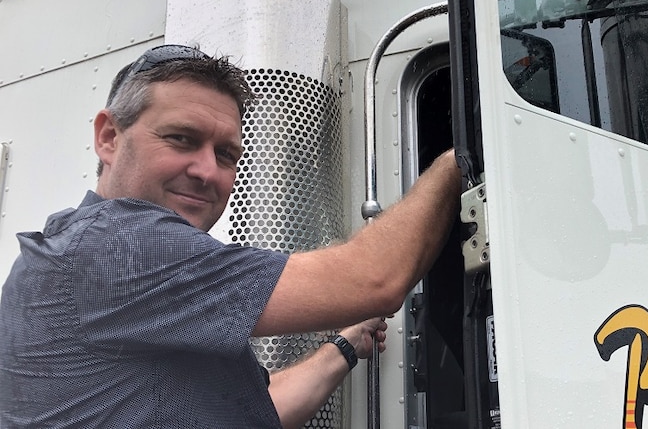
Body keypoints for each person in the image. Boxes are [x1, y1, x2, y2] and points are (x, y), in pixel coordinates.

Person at [0, 45, 462, 428]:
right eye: (181, 139)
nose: (207, 172)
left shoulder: (92, 258)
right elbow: (375, 280)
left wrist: (347, 345)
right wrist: (457, 161)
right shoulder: (118, 244)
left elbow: (260, 409)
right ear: (108, 137)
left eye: (226, 154)